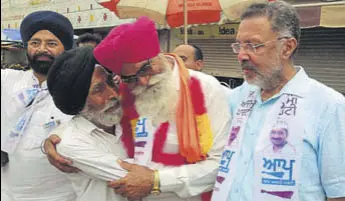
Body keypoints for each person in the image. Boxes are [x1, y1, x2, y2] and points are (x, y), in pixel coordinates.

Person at [44, 16, 231, 201]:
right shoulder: (126, 90)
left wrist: (157, 181)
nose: (142, 81)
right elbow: (89, 117)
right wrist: (57, 139)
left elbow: (222, 162)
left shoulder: (206, 89)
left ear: (158, 54)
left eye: (145, 68)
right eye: (129, 78)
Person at [211, 1, 345, 201]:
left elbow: (338, 193)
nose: (241, 55)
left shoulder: (328, 106)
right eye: (239, 45)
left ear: (287, 47)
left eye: (253, 45)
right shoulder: (237, 98)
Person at [1, 11, 76, 201]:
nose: (42, 49)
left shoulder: (79, 89)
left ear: (65, 49)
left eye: (51, 43)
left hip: (58, 195)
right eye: (35, 43)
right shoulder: (9, 79)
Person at [47, 46, 128, 201]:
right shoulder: (72, 142)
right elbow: (139, 180)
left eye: (111, 82)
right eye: (98, 90)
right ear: (79, 101)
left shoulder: (129, 119)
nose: (113, 94)